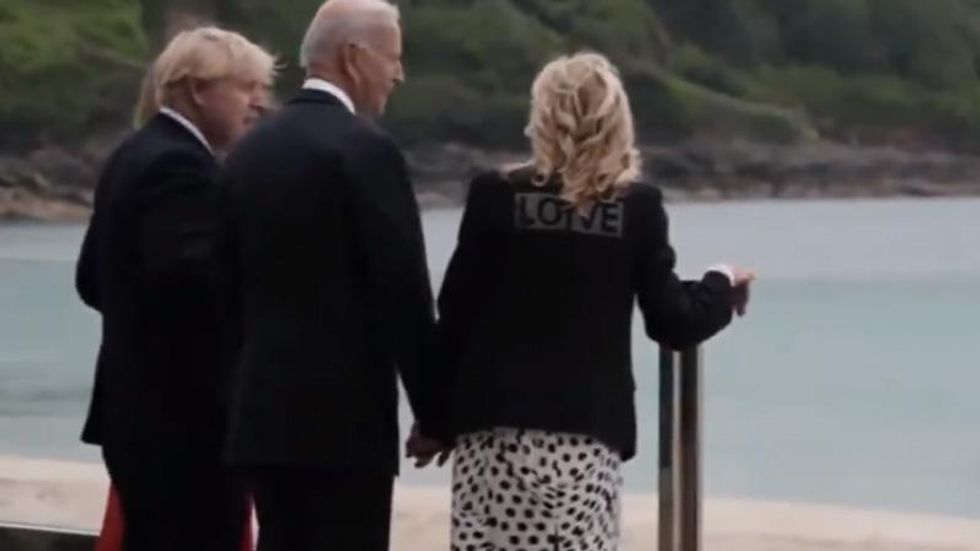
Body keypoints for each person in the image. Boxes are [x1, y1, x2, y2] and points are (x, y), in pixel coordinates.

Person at [435, 52, 754, 551]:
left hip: (490, 436)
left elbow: (454, 316)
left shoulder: (495, 194)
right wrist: (721, 279)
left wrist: (433, 420)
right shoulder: (636, 207)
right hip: (583, 439)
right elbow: (673, 321)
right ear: (617, 122)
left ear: (542, 116)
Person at [216, 1, 447, 550]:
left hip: (262, 418)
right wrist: (435, 412)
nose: (398, 73)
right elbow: (403, 294)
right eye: (393, 57)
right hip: (346, 427)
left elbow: (223, 286)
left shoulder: (248, 150)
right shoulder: (366, 149)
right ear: (354, 56)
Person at [75, 26, 276, 551]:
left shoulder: (133, 153)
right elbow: (193, 283)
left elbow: (90, 279)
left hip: (134, 412)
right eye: (247, 86)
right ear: (197, 89)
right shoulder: (181, 166)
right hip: (185, 420)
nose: (260, 102)